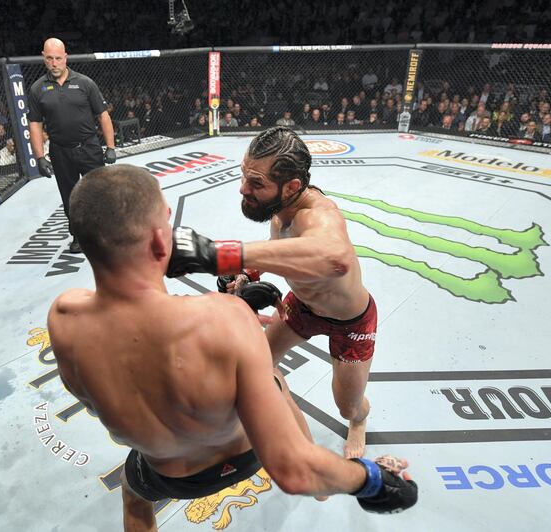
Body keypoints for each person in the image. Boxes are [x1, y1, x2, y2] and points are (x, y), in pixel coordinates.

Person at [48, 164, 416, 531]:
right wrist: (373, 480)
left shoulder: (63, 320)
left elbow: (133, 352)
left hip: (166, 474)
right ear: (162, 241)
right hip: (247, 454)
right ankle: (325, 490)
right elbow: (294, 470)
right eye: (167, 218)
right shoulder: (226, 319)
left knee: (134, 492)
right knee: (272, 378)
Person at [166, 127, 378, 459]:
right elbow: (280, 247)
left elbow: (333, 257)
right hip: (301, 307)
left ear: (292, 186)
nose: (243, 189)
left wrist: (222, 254)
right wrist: (248, 271)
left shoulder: (319, 215)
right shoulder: (282, 208)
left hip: (350, 322)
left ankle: (360, 421)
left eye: (256, 184)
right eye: (244, 176)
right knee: (256, 364)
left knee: (347, 405)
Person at [27, 37, 117, 254]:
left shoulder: (85, 83)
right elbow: (35, 124)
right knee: (69, 197)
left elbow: (103, 116)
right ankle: (78, 236)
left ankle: (103, 234)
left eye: (58, 58)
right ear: (43, 58)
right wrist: (39, 156)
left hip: (89, 147)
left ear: (65, 57)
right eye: (50, 58)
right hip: (60, 151)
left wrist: (111, 147)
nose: (54, 63)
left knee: (98, 193)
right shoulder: (37, 89)